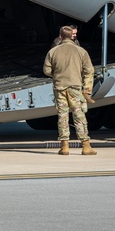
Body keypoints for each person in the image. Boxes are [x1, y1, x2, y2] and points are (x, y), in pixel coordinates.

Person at [42, 25, 97, 155]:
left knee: (62, 116)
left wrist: (58, 74)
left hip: (59, 87)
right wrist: (87, 90)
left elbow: (47, 70)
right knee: (79, 116)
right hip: (75, 88)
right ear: (72, 36)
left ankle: (64, 146)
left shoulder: (53, 52)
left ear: (60, 37)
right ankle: (85, 146)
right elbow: (89, 71)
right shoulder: (81, 51)